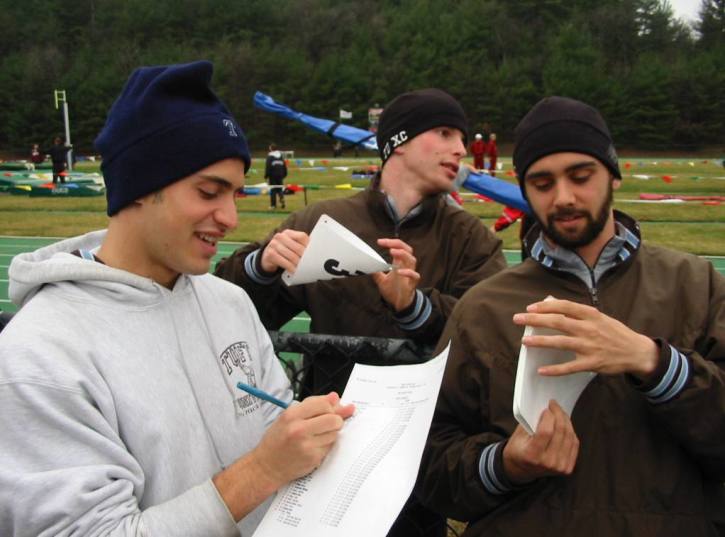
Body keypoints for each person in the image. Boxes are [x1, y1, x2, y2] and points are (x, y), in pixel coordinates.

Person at [0, 60, 353, 536]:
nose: (230, 217)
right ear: (141, 187)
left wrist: (305, 436)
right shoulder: (40, 354)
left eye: (236, 195)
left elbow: (273, 418)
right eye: (209, 192)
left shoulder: (228, 302)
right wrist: (261, 472)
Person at [417, 96, 725, 535]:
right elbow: (431, 464)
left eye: (581, 177)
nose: (563, 197)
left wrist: (656, 364)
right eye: (542, 183)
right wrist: (504, 465)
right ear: (524, 192)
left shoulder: (695, 283)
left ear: (613, 176)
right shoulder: (484, 307)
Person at [215, 88, 507, 537]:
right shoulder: (321, 220)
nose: (461, 149)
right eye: (445, 133)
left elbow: (490, 333)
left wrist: (415, 308)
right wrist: (261, 266)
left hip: (422, 462)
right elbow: (231, 313)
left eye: (462, 138)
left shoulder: (472, 240)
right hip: (328, 449)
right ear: (399, 142)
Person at [265, 143, 288, 210]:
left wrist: (266, 175)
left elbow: (268, 167)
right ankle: (282, 201)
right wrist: (285, 174)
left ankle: (273, 205)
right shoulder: (281, 156)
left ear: (271, 149)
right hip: (280, 175)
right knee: (280, 189)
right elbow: (284, 166)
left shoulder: (270, 156)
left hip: (272, 176)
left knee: (273, 190)